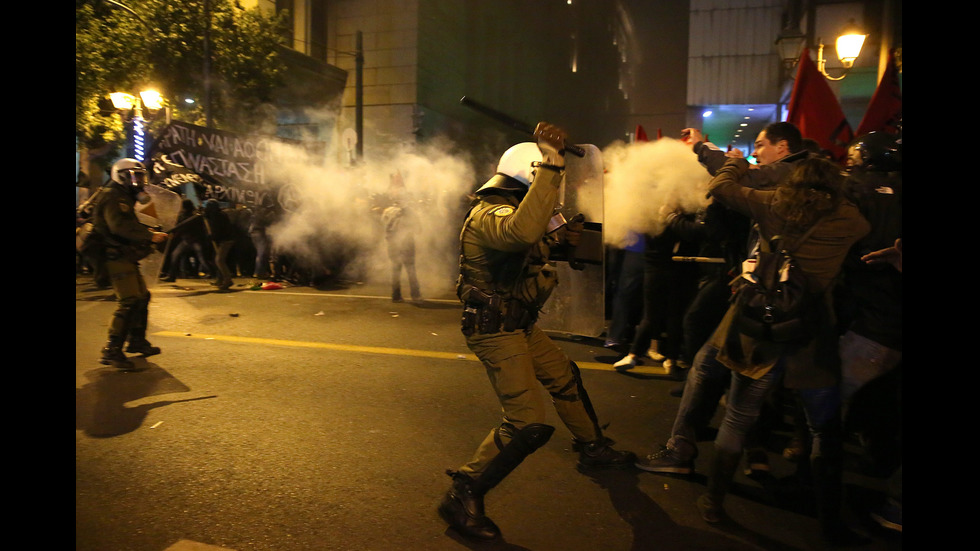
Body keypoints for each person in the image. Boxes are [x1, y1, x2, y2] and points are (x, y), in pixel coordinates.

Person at [652, 155, 870, 545]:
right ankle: (829, 523)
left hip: (759, 330)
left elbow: (719, 188)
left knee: (737, 417)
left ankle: (714, 503)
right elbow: (867, 222)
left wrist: (734, 165)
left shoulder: (770, 204)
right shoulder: (849, 220)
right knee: (824, 429)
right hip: (811, 334)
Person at [439, 122, 635, 541]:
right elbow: (520, 233)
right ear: (530, 176)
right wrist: (552, 160)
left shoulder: (517, 212)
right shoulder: (488, 215)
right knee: (527, 422)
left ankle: (593, 446)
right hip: (495, 329)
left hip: (520, 323)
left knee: (565, 377)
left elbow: (537, 244)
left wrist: (567, 239)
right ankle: (464, 491)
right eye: (545, 178)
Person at [87, 159, 169, 370]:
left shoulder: (122, 196)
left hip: (123, 255)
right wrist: (150, 236)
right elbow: (119, 227)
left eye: (142, 176)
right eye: (136, 176)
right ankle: (111, 351)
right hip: (113, 256)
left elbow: (129, 224)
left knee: (142, 297)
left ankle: (136, 341)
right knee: (130, 300)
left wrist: (151, 232)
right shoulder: (114, 197)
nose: (140, 181)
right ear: (121, 176)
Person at [379, 172, 422, 303]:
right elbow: (418, 229)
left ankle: (396, 295)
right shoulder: (411, 212)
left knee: (396, 269)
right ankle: (415, 295)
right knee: (410, 269)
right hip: (407, 243)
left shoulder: (387, 212)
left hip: (392, 244)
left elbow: (383, 227)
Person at [203, 199, 237, 291]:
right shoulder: (218, 214)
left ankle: (228, 280)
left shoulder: (218, 216)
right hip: (223, 240)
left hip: (226, 240)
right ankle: (220, 279)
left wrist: (212, 237)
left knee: (219, 260)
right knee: (217, 260)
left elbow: (217, 230)